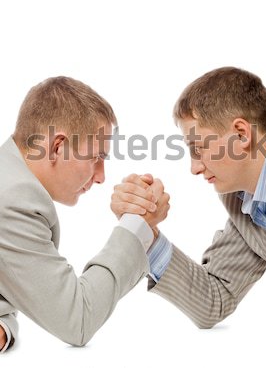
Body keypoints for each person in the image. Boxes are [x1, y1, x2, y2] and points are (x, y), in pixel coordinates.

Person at [111, 66, 266, 334]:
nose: (194, 167)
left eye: (198, 148)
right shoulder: (247, 201)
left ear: (241, 134)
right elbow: (213, 299)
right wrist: (144, 231)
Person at [0, 76, 169, 353]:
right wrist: (137, 225)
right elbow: (77, 320)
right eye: (95, 158)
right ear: (57, 147)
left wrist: (5, 324)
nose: (101, 176)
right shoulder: (13, 200)